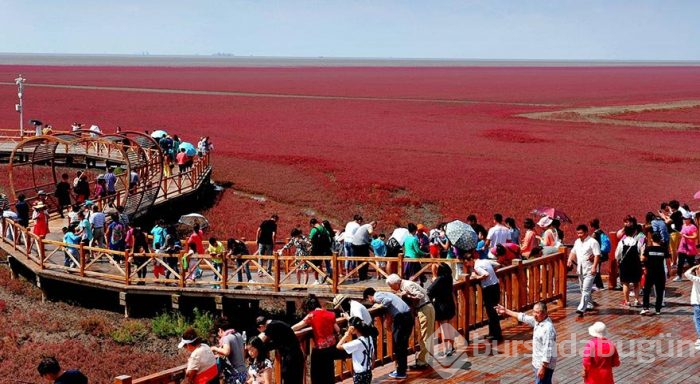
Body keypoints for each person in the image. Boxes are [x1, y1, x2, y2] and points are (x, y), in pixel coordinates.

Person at [496, 302, 557, 384]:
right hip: (537, 363)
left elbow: (548, 350)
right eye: (534, 311)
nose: (534, 315)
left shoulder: (548, 329)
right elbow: (523, 317)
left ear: (545, 313)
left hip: (545, 366)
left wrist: (543, 367)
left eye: (537, 312)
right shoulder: (537, 320)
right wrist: (506, 311)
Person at [386, 273, 435, 370]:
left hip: (425, 308)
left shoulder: (407, 285)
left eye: (391, 286)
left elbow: (420, 295)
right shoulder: (405, 285)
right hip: (423, 309)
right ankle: (425, 360)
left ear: (396, 283)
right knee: (423, 335)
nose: (392, 289)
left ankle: (423, 362)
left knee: (425, 336)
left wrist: (407, 295)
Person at [363, 287, 412, 379]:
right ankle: (402, 368)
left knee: (399, 345)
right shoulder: (385, 293)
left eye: (368, 299)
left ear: (369, 296)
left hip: (401, 318)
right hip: (408, 316)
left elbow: (387, 301)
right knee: (402, 344)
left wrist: (380, 306)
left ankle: (401, 372)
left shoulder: (377, 296)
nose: (370, 301)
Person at [291, 294, 339, 384]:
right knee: (329, 373)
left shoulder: (312, 315)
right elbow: (337, 329)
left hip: (320, 350)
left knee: (317, 376)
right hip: (331, 347)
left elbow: (297, 327)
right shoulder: (331, 314)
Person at [257, 316, 304, 384]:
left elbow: (271, 343)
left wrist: (259, 347)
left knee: (288, 379)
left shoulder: (271, 327)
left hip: (290, 358)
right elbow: (277, 342)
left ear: (261, 326)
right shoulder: (276, 323)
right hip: (297, 355)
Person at [567, 224, 601, 317]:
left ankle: (581, 309)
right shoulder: (577, 241)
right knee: (583, 289)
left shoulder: (593, 242)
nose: (579, 235)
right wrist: (570, 260)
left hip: (590, 269)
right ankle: (589, 303)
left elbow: (597, 255)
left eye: (581, 233)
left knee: (585, 289)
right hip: (580, 269)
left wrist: (594, 267)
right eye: (578, 233)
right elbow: (573, 252)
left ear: (586, 232)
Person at [471, 256, 503, 341]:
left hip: (489, 289)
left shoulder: (476, 266)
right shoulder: (484, 260)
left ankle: (496, 335)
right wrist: (493, 273)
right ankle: (493, 333)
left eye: (466, 262)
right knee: (493, 311)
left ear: (470, 260)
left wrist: (476, 277)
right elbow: (497, 264)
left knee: (491, 312)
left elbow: (486, 274)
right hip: (495, 285)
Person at [428, 263, 456, 356]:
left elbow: (429, 291)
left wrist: (434, 280)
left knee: (444, 328)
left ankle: (446, 349)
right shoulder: (449, 278)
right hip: (450, 303)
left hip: (441, 305)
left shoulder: (439, 280)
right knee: (450, 327)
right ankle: (451, 347)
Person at [336, 316, 375, 384]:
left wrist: (346, 334)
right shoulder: (369, 338)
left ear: (353, 329)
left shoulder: (357, 343)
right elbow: (373, 355)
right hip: (368, 372)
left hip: (359, 374)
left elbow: (338, 346)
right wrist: (372, 365)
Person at [614, 218, 644, 306]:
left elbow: (617, 255)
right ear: (634, 232)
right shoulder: (638, 242)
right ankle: (636, 300)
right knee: (636, 283)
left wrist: (619, 260)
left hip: (625, 265)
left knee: (625, 283)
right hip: (635, 264)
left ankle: (627, 301)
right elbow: (641, 252)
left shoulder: (622, 242)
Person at [210, 318, 248, 384]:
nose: (219, 336)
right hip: (244, 372)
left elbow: (226, 352)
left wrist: (214, 348)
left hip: (235, 375)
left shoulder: (226, 338)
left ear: (220, 330)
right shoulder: (238, 334)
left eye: (218, 333)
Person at [640, 233, 667, 315]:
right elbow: (667, 262)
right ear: (660, 240)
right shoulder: (663, 249)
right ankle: (658, 309)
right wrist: (668, 271)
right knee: (659, 291)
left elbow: (642, 259)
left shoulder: (648, 249)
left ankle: (646, 307)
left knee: (647, 290)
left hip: (650, 272)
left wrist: (642, 251)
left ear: (652, 239)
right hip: (660, 272)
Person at [674, 212, 697, 281]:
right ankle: (679, 276)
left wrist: (687, 236)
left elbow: (695, 236)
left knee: (691, 263)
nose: (683, 219)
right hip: (682, 247)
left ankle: (696, 275)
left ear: (689, 219)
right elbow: (682, 234)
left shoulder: (692, 227)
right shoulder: (683, 225)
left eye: (685, 218)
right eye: (683, 218)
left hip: (690, 248)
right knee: (680, 262)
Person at [309, 218, 333, 283]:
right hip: (323, 249)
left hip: (315, 249)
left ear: (312, 224)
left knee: (314, 265)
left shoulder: (314, 229)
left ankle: (317, 280)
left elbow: (310, 239)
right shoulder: (323, 228)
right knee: (319, 264)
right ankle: (323, 276)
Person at [590, 219, 612, 289]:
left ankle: (598, 285)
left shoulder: (595, 234)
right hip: (602, 253)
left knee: (596, 269)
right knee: (597, 269)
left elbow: (592, 244)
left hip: (597, 253)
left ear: (592, 226)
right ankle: (599, 285)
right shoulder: (601, 232)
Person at [683, 265, 700, 350]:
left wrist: (694, 267)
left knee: (697, 321)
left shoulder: (697, 280)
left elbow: (686, 273)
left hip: (698, 304)